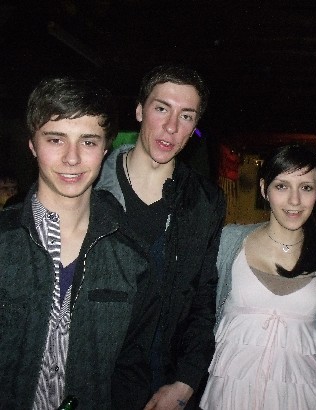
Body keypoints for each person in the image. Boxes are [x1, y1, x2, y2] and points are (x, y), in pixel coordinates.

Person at [0, 77, 159, 409]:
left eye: (88, 141)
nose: (71, 158)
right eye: (56, 139)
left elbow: (132, 369)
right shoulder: (4, 243)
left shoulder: (132, 255)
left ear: (105, 149)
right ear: (32, 145)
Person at [96, 63, 226, 409]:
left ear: (194, 127)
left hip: (162, 384)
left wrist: (186, 381)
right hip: (93, 381)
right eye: (161, 108)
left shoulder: (205, 202)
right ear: (140, 110)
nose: (171, 126)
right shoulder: (90, 187)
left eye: (186, 116)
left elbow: (203, 298)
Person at [199, 145, 316, 409]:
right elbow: (200, 313)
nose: (295, 200)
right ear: (264, 189)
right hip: (230, 395)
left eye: (306, 187)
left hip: (299, 398)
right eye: (282, 186)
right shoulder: (230, 241)